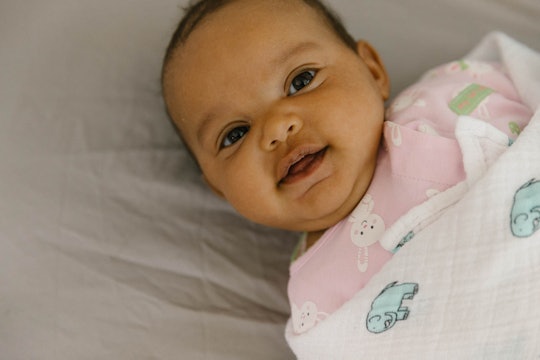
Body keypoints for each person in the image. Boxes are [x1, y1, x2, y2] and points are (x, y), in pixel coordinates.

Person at [161, 0, 532, 334]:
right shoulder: (317, 300)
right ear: (218, 188)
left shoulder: (454, 92)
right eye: (235, 134)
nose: (276, 128)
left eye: (301, 81)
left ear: (372, 71)